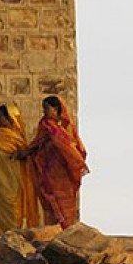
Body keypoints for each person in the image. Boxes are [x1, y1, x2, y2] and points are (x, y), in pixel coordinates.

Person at [18, 95, 88, 227]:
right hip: (49, 174)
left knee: (66, 207)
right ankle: (53, 235)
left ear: (56, 109)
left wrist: (77, 161)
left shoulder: (66, 127)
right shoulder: (46, 126)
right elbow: (37, 144)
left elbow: (75, 148)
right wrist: (27, 152)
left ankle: (65, 234)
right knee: (51, 206)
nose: (44, 112)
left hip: (63, 173)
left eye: (46, 109)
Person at [0, 104, 38, 234]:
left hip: (12, 183)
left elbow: (25, 158)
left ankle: (12, 240)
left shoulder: (17, 138)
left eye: (0, 117)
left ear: (9, 118)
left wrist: (23, 154)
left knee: (13, 213)